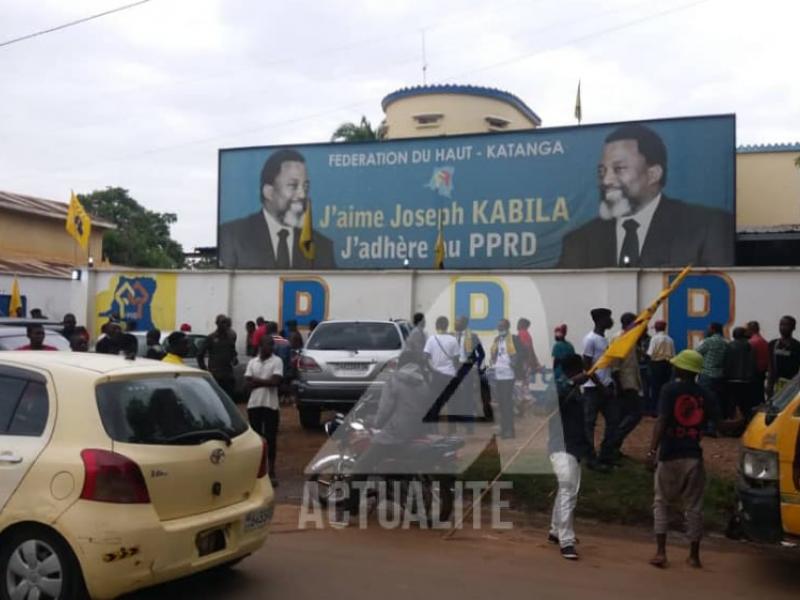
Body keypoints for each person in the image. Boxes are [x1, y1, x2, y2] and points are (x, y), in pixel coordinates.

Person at [557, 123, 734, 268]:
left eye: (619, 169)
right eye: (602, 171)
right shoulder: (579, 242)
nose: (606, 180)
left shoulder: (707, 227)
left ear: (653, 174)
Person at [647, 349, 720, 569]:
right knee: (694, 507)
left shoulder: (668, 390)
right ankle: (694, 556)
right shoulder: (706, 394)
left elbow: (662, 420)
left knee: (661, 502)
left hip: (669, 454)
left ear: (681, 368)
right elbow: (719, 423)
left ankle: (661, 552)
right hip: (693, 456)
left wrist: (652, 451)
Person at [219, 148, 335, 269]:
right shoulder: (232, 236)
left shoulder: (322, 246)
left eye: (305, 187)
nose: (302, 195)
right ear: (269, 192)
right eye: (293, 186)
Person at [547, 353, 592, 560]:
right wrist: (572, 381)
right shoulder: (559, 386)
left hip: (574, 446)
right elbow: (552, 399)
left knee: (567, 490)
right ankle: (566, 541)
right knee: (568, 492)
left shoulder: (576, 389)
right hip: (561, 447)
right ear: (575, 370)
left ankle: (556, 531)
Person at [581, 308, 617, 470]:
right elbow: (587, 366)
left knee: (614, 421)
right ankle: (590, 459)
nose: (611, 320)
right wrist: (601, 386)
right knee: (589, 424)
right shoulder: (590, 339)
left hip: (606, 387)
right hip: (593, 389)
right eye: (608, 317)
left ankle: (606, 455)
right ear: (599, 319)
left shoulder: (604, 339)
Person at [246, 336, 283, 486]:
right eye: (268, 344)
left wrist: (256, 381)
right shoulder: (252, 362)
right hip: (254, 404)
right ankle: (257, 469)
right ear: (261, 345)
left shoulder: (277, 361)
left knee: (271, 438)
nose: (271, 347)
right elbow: (247, 385)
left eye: (272, 345)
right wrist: (265, 382)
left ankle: (272, 469)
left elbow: (276, 382)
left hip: (271, 404)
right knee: (256, 438)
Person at [612, 312, 643, 458]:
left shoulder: (630, 338)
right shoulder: (620, 338)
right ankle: (613, 442)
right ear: (629, 323)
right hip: (625, 384)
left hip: (631, 381)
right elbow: (615, 366)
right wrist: (619, 387)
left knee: (624, 415)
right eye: (636, 322)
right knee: (635, 413)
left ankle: (614, 446)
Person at [423, 316, 461, 425]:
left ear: (436, 326)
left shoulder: (431, 339)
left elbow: (425, 358)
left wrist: (431, 370)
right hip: (449, 375)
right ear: (447, 326)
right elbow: (456, 360)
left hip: (436, 376)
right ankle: (451, 429)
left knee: (435, 402)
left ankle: (434, 427)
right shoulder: (453, 340)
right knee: (452, 403)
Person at [451, 316, 485, 433]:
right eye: (455, 321)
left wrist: (476, 367)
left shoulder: (473, 336)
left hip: (467, 369)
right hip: (454, 368)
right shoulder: (452, 336)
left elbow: (480, 353)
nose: (455, 323)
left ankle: (469, 425)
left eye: (458, 321)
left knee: (468, 397)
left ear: (464, 323)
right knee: (454, 396)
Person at [490, 319, 521, 439]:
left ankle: (510, 430)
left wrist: (515, 364)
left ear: (507, 327)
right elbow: (494, 354)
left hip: (508, 375)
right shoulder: (497, 340)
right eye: (498, 327)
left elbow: (521, 353)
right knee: (501, 403)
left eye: (501, 327)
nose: (499, 329)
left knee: (507, 403)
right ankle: (504, 428)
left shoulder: (514, 339)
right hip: (498, 373)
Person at [198, 315, 238, 398]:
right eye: (222, 322)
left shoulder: (230, 337)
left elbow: (233, 352)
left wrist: (234, 359)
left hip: (228, 374)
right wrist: (205, 370)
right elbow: (200, 355)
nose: (225, 325)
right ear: (217, 323)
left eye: (226, 322)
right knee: (215, 398)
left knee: (229, 398)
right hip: (215, 375)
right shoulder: (211, 338)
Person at [724, 327, 759, 424]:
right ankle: (746, 423)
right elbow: (752, 363)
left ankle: (731, 422)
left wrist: (725, 375)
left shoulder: (729, 346)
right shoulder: (749, 346)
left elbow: (726, 363)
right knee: (745, 404)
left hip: (731, 379)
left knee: (731, 403)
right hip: (745, 380)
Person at [696, 322, 729, 417]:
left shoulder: (708, 341)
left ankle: (708, 426)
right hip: (720, 375)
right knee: (718, 400)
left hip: (707, 374)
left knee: (705, 400)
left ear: (713, 330)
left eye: (708, 328)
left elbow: (696, 353)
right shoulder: (725, 342)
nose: (707, 330)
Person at [646, 320, 675, 416]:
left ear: (656, 328)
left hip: (656, 365)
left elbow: (650, 353)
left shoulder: (654, 339)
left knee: (655, 388)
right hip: (667, 365)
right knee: (665, 388)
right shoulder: (670, 339)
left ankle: (655, 410)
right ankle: (664, 410)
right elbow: (673, 355)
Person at [767, 315, 800, 398]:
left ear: (793, 327)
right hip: (775, 385)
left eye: (786, 325)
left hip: (791, 385)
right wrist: (769, 384)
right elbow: (770, 365)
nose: (783, 327)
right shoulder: (773, 344)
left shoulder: (797, 346)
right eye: (781, 325)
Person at [515, 318, 542, 412]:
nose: (517, 325)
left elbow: (527, 348)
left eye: (519, 323)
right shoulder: (526, 334)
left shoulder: (522, 333)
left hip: (524, 361)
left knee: (522, 380)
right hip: (526, 360)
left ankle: (526, 400)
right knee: (524, 381)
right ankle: (524, 401)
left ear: (522, 325)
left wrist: (530, 360)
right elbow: (531, 348)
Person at [746, 320, 769, 403]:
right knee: (760, 395)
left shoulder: (751, 342)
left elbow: (750, 360)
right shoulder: (765, 342)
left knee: (752, 398)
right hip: (762, 372)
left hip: (753, 374)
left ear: (750, 329)